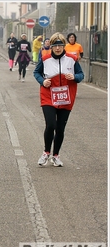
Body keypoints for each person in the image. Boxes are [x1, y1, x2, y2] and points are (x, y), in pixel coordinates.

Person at [33, 32, 84, 167]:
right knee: (51, 125)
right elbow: (36, 73)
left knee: (60, 128)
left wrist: (74, 77)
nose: (57, 48)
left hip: (66, 98)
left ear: (64, 46)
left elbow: (80, 74)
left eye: (60, 46)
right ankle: (46, 152)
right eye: (55, 46)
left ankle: (56, 155)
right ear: (52, 47)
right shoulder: (45, 59)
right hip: (49, 96)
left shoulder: (72, 59)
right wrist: (43, 81)